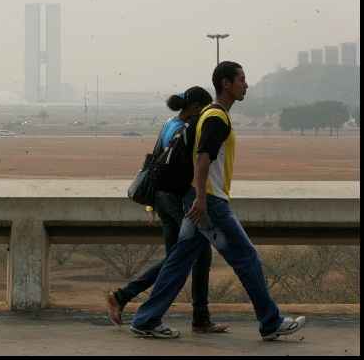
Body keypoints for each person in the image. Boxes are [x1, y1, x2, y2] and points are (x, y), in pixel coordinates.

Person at [129, 61, 306, 340]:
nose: (246, 85)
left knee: (179, 259)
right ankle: (270, 321)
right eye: (242, 80)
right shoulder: (217, 117)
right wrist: (201, 198)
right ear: (226, 83)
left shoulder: (210, 114)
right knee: (246, 257)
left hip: (199, 199)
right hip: (209, 202)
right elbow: (202, 159)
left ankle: (146, 319)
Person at [107, 86, 229, 334]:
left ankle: (125, 297)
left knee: (179, 256)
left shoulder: (168, 124)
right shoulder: (184, 129)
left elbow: (156, 163)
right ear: (196, 108)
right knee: (190, 256)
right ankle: (197, 317)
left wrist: (152, 203)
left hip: (162, 198)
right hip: (177, 199)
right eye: (203, 110)